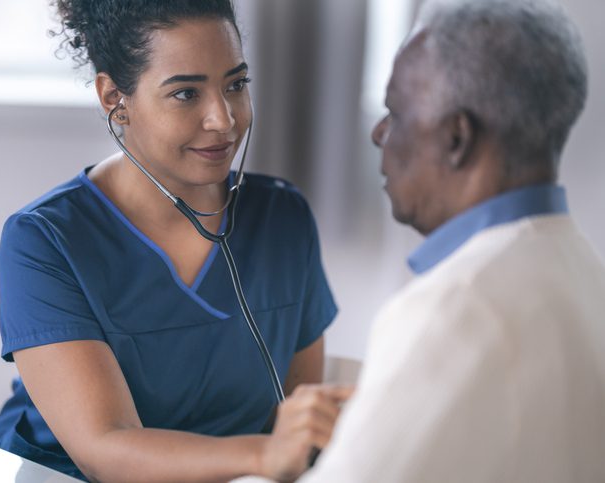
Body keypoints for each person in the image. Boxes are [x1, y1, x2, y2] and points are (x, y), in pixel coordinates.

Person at [236, 0, 605, 481]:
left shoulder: (456, 306)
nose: (378, 133)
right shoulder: (584, 271)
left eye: (395, 112)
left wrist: (263, 463)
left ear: (457, 137)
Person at [0, 1, 352, 481]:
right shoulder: (43, 241)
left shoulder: (284, 219)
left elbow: (296, 425)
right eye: (186, 94)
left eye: (236, 85)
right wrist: (264, 457)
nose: (223, 120)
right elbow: (105, 449)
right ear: (114, 98)